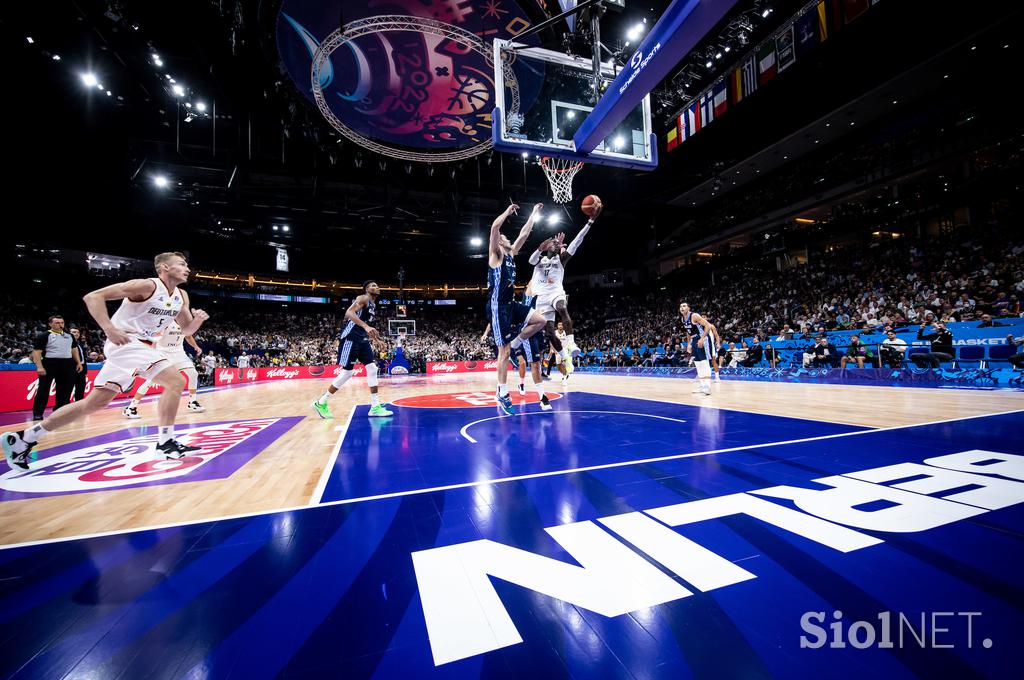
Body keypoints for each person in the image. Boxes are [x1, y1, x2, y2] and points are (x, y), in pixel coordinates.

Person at [3, 252, 209, 470]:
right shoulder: (146, 286)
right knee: (176, 381)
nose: (187, 268)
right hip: (127, 343)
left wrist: (197, 320)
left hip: (144, 347)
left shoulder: (181, 296)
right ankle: (165, 442)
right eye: (181, 264)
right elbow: (93, 296)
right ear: (164, 268)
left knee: (94, 403)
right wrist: (109, 328)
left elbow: (186, 329)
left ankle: (24, 438)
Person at [486, 202, 548, 416]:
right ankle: (502, 392)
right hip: (498, 307)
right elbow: (494, 227)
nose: (504, 235)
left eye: (504, 236)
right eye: (502, 236)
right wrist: (507, 211)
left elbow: (524, 232)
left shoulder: (511, 253)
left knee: (540, 321)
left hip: (511, 304)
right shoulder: (495, 255)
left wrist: (533, 213)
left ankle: (517, 341)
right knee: (503, 352)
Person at [528, 202, 602, 361]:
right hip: (540, 297)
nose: (556, 245)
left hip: (555, 292)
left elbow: (577, 240)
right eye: (553, 243)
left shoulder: (561, 259)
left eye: (557, 244)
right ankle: (564, 356)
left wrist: (590, 222)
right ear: (548, 246)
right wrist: (539, 249)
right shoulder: (539, 260)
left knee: (562, 307)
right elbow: (530, 260)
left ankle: (572, 344)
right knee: (549, 334)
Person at [313, 280, 393, 418]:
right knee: (347, 373)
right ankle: (321, 402)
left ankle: (375, 407)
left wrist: (377, 340)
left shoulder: (373, 304)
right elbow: (349, 313)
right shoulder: (363, 298)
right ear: (366, 289)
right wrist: (366, 327)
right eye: (373, 285)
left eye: (377, 285)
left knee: (372, 368)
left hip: (362, 339)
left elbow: (365, 325)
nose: (377, 287)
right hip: (350, 337)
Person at [122, 322, 205, 419]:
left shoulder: (184, 322)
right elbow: (153, 339)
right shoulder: (166, 322)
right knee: (150, 381)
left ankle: (192, 402)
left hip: (179, 354)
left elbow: (188, 337)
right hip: (163, 354)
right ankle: (131, 407)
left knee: (193, 374)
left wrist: (196, 346)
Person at [30, 315, 81, 421]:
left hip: (67, 363)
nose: (60, 325)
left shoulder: (69, 336)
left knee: (65, 390)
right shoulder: (44, 335)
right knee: (43, 389)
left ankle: (60, 412)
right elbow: (37, 352)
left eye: (62, 322)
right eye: (57, 323)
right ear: (50, 324)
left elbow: (74, 349)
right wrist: (39, 366)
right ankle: (38, 413)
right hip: (50, 363)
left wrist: (78, 363)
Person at [679, 302, 714, 396]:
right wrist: (689, 343)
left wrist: (702, 339)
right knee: (698, 363)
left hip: (703, 339)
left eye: (684, 306)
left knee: (704, 362)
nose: (682, 307)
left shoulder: (694, 316)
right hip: (694, 340)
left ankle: (708, 386)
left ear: (689, 308)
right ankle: (702, 385)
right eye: (681, 306)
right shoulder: (683, 319)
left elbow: (708, 325)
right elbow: (688, 332)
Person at [68, 326, 88, 404]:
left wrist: (84, 370)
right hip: (71, 369)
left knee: (80, 389)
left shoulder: (80, 344)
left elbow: (83, 358)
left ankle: (78, 407)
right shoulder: (66, 343)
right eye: (74, 332)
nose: (76, 333)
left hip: (81, 370)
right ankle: (65, 408)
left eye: (78, 332)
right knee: (67, 390)